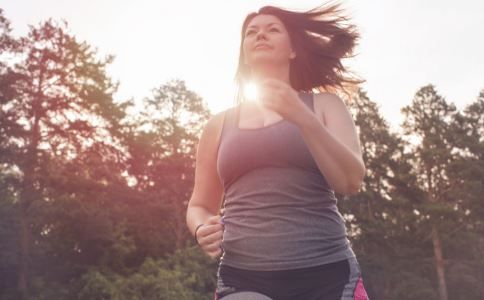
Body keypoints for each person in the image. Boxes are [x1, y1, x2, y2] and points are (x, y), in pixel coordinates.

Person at [186, 2, 370, 299]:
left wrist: (302, 118)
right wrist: (200, 227)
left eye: (273, 30)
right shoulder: (217, 125)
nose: (261, 35)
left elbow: (350, 181)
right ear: (244, 54)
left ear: (292, 50)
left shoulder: (325, 106)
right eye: (251, 32)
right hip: (244, 275)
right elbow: (200, 205)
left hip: (327, 274)